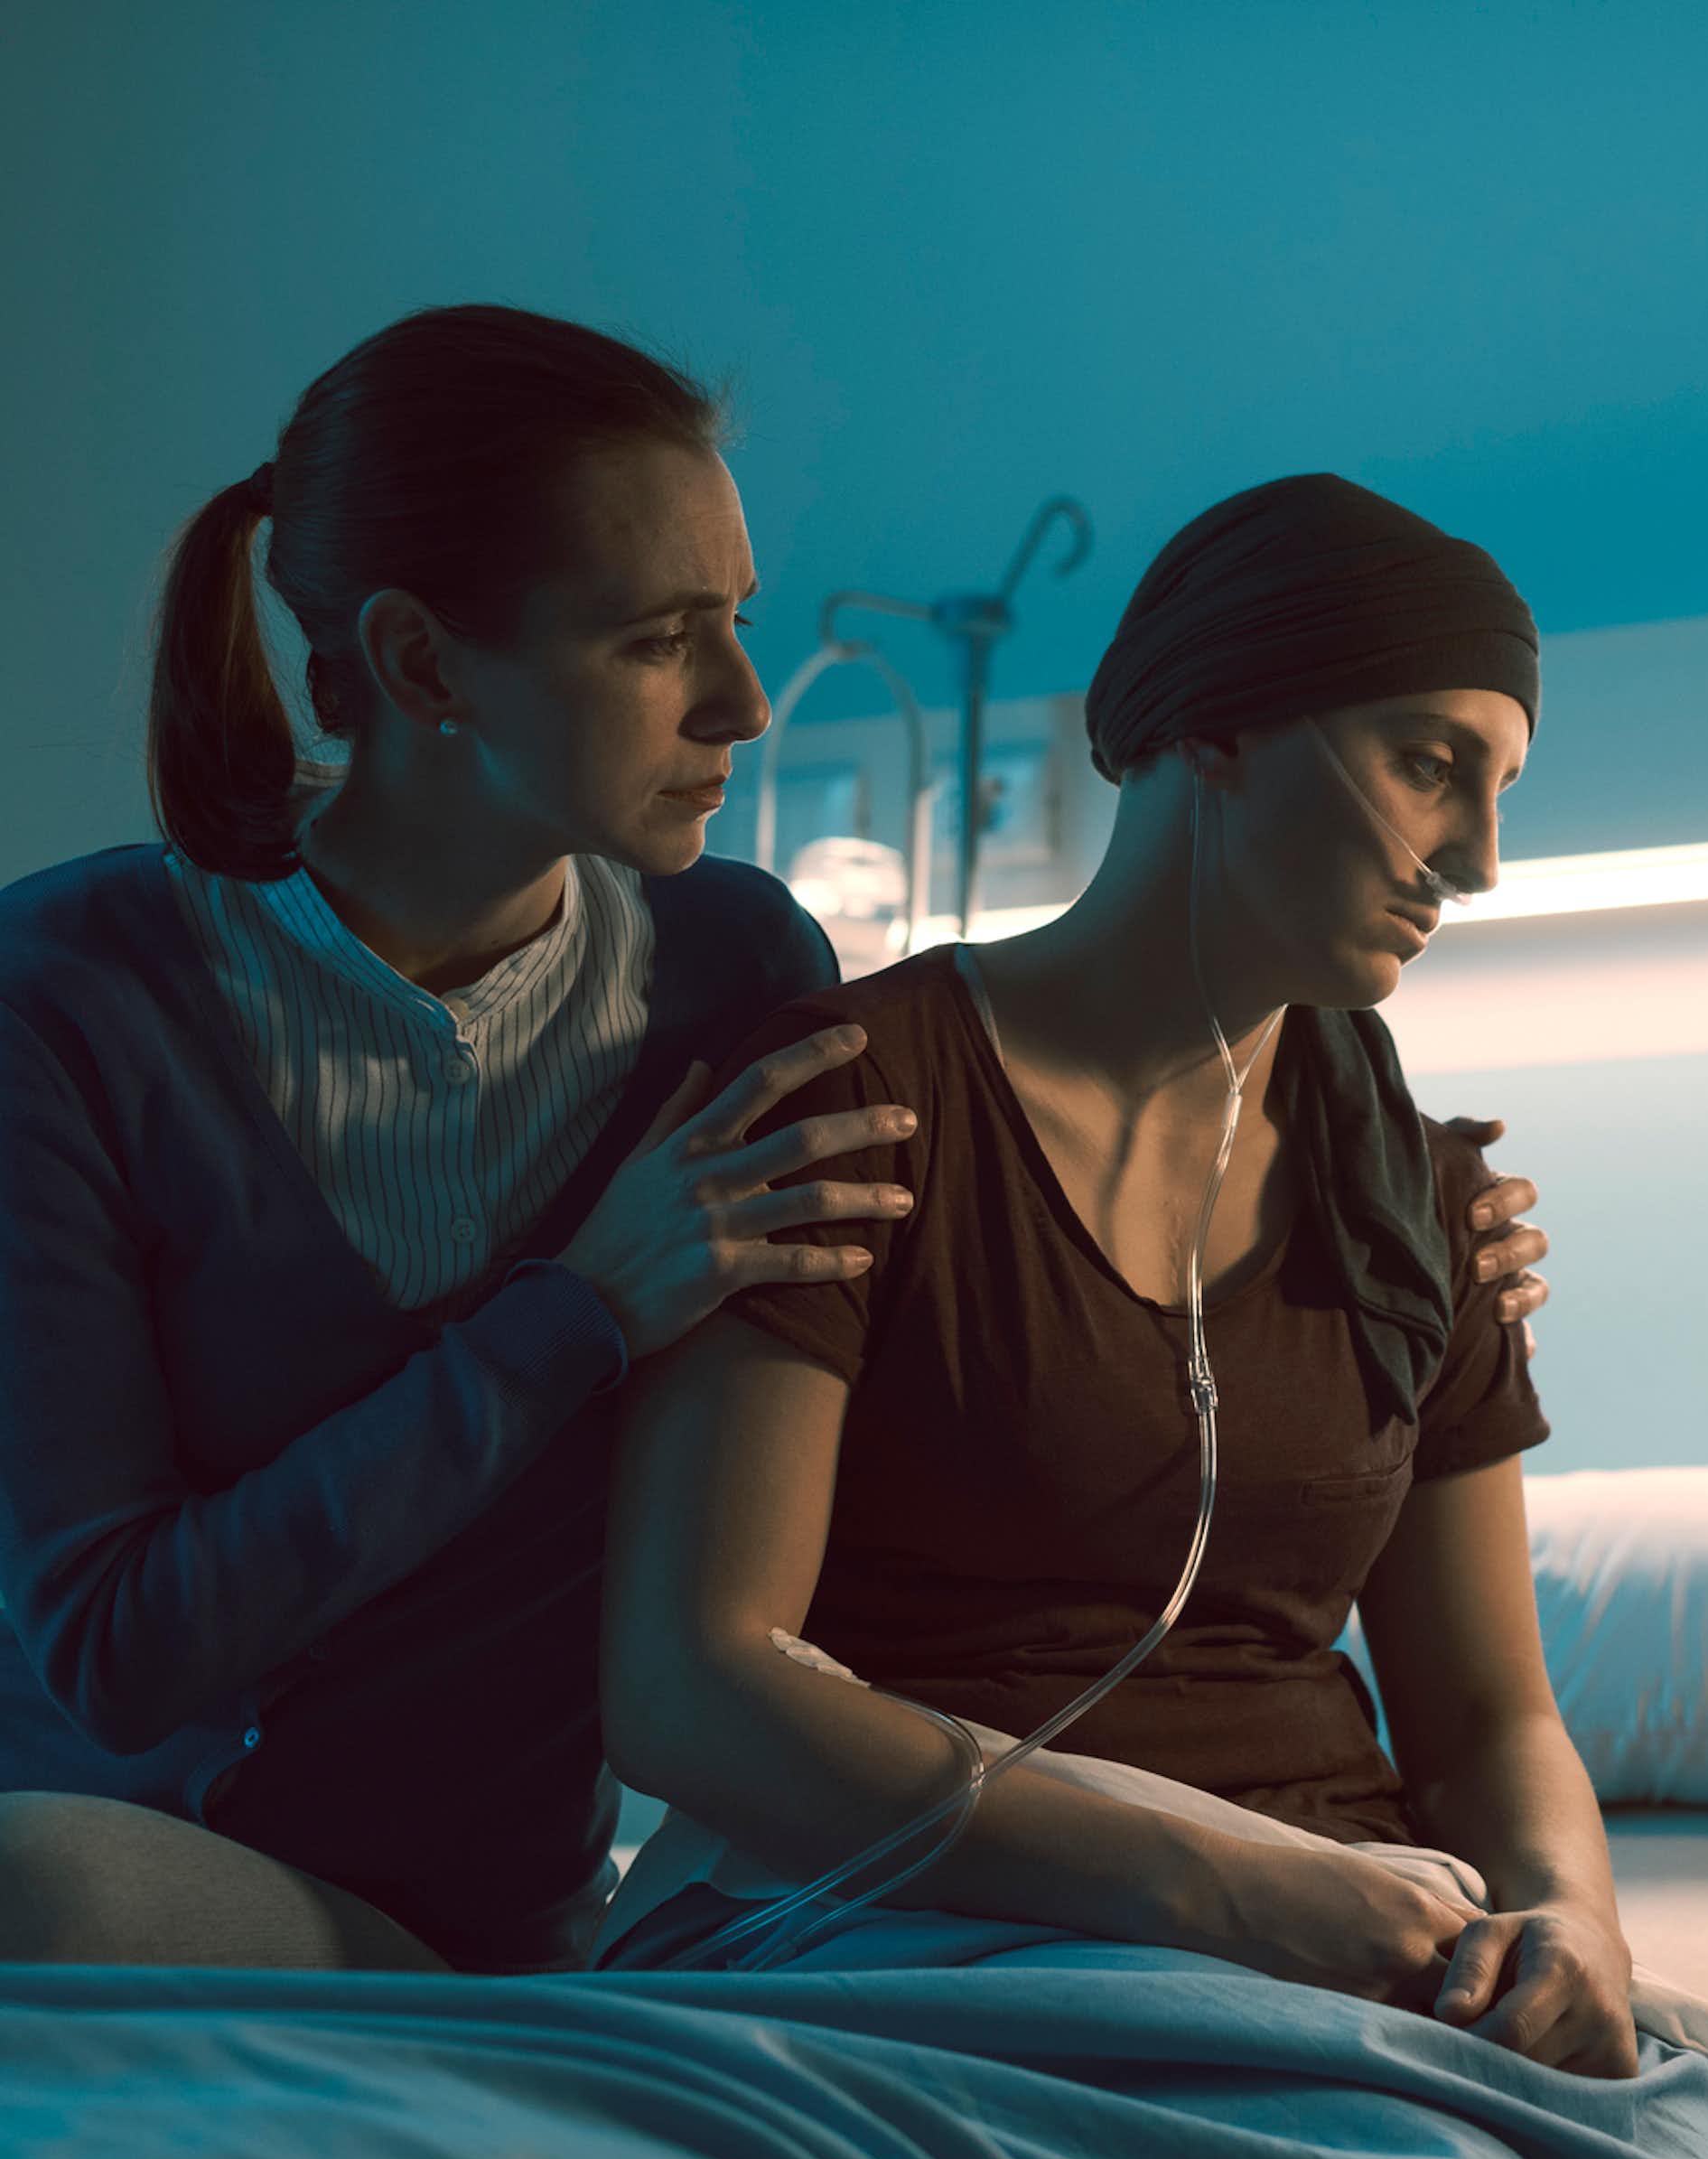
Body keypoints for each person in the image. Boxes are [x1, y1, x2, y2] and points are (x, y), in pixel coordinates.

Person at [0, 318, 1550, 1976]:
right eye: (662, 643)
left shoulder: (738, 969)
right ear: (423, 665)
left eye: (736, 620)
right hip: (178, 1877)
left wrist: (1395, 1258)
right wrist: (570, 1319)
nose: (744, 702)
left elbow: (860, 1459)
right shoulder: (71, 1008)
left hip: (525, 1926)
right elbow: (112, 1650)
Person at [593, 474, 1629, 2080]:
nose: (1477, 861)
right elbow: (692, 1685)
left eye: (1499, 790)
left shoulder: (1423, 1196)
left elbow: (1493, 1721)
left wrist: (1571, 1920)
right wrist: (1232, 1890)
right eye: (1431, 766)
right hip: (914, 1919)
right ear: (1217, 728)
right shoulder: (859, 1101)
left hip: (1369, 1941)